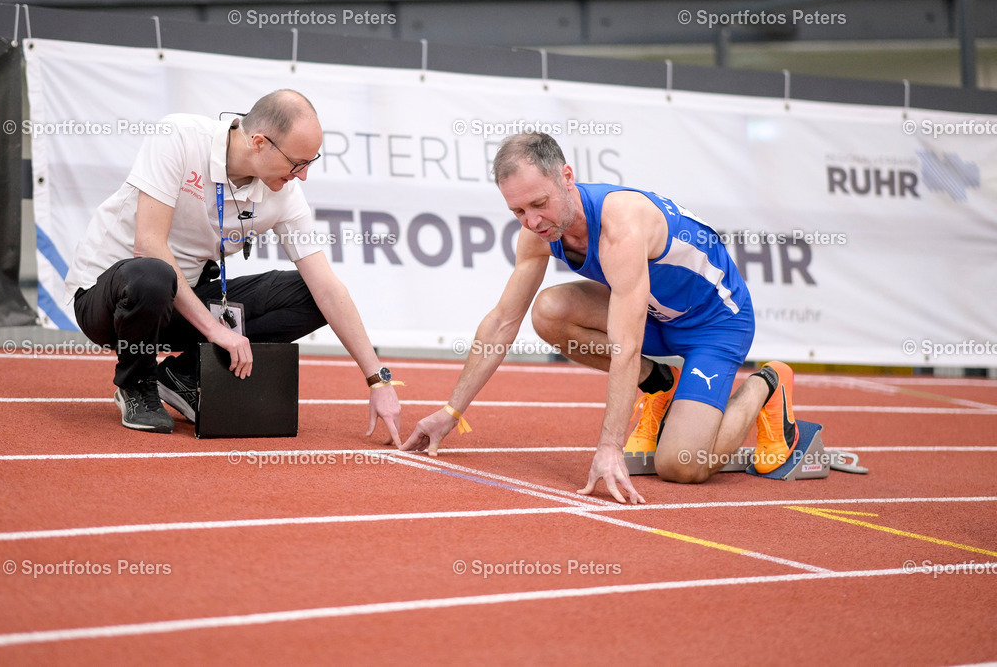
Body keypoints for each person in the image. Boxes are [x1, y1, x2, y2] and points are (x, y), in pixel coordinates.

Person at [401, 132, 798, 504]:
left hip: (715, 325)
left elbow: (626, 346)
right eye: (518, 211)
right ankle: (660, 385)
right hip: (655, 314)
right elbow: (503, 321)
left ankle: (767, 384)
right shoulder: (538, 234)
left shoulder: (621, 226)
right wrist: (450, 413)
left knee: (681, 465)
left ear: (567, 178)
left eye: (539, 204)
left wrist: (610, 448)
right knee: (548, 312)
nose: (533, 222)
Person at [65, 89, 401, 439]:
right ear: (259, 142)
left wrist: (378, 380)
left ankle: (184, 376)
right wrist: (217, 332)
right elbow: (147, 243)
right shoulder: (180, 137)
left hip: (180, 305)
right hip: (113, 303)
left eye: (309, 163)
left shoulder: (284, 194)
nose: (302, 176)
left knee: (309, 295)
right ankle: (136, 385)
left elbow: (328, 289)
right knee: (152, 272)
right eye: (297, 163)